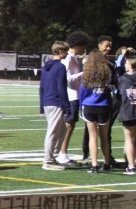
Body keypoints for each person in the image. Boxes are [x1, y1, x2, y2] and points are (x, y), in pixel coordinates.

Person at [78, 50, 115, 173]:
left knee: (92, 137)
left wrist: (80, 106)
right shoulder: (107, 73)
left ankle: (94, 165)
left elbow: (82, 92)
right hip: (104, 106)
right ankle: (107, 163)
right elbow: (110, 90)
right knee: (104, 137)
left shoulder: (87, 73)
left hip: (89, 106)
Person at [57, 30, 89, 164]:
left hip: (74, 95)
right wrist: (84, 73)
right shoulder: (69, 58)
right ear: (77, 45)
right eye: (83, 46)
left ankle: (62, 153)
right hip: (71, 96)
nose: (84, 49)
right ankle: (62, 154)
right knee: (68, 126)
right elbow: (68, 79)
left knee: (70, 126)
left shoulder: (73, 58)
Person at [40, 42, 71, 170]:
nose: (67, 54)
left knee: (62, 130)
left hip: (47, 102)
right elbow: (61, 88)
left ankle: (53, 157)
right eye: (65, 51)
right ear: (60, 52)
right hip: (56, 102)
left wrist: (41, 106)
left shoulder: (45, 67)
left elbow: (41, 87)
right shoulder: (60, 67)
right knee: (52, 133)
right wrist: (67, 105)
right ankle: (48, 161)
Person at [116, 55, 136, 176]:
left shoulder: (123, 78)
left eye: (126, 63)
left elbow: (119, 93)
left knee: (129, 140)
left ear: (129, 65)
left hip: (128, 111)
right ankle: (132, 162)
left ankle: (131, 166)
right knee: (134, 139)